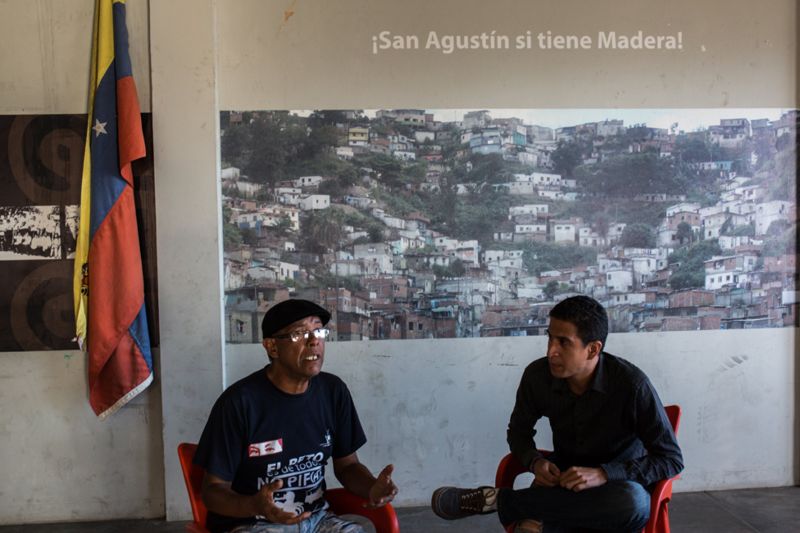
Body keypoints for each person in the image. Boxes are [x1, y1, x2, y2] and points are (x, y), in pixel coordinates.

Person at [431, 295, 683, 533]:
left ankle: (502, 501)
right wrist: (535, 462)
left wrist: (604, 473)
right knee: (548, 516)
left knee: (633, 503)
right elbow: (518, 432)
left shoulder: (632, 385)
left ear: (593, 350)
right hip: (561, 483)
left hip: (613, 490)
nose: (551, 351)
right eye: (550, 338)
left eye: (564, 342)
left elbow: (671, 459)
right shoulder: (537, 377)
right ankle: (538, 513)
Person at [194, 299, 398, 533]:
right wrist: (254, 504)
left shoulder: (333, 392)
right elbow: (212, 492)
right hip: (254, 523)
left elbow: (347, 466)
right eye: (299, 333)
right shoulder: (239, 403)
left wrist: (372, 487)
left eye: (318, 331)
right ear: (272, 347)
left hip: (318, 520)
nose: (314, 342)